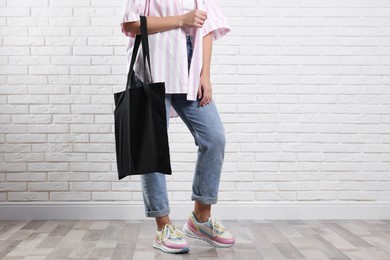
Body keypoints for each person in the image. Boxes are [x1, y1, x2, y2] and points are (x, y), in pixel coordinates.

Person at [120, 0, 235, 254]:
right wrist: (180, 20)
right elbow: (130, 23)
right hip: (151, 68)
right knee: (151, 147)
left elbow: (207, 26)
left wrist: (205, 75)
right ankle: (163, 227)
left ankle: (200, 218)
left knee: (214, 137)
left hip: (189, 69)